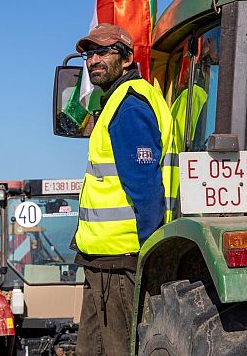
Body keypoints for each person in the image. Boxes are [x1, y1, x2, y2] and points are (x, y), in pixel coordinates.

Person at [71, 23, 177, 356]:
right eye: (89, 54)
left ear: (127, 59)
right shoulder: (117, 102)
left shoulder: (129, 107)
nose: (93, 61)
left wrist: (148, 257)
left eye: (103, 52)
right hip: (105, 264)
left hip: (123, 262)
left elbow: (145, 189)